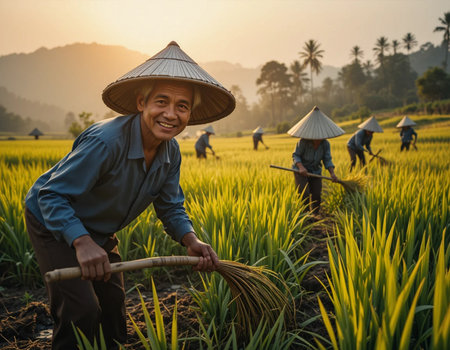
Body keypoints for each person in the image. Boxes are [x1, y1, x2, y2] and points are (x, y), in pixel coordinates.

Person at [24, 41, 235, 350]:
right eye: (161, 102)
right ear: (141, 103)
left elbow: (170, 205)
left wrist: (192, 240)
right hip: (54, 221)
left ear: (190, 114)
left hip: (99, 228)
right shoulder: (106, 143)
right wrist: (81, 242)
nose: (171, 114)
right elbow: (52, 195)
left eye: (182, 106)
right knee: (81, 310)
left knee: (113, 305)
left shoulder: (171, 151)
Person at [288, 106, 344, 215]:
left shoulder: (325, 144)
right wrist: (301, 167)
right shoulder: (303, 142)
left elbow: (327, 159)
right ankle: (305, 216)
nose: (318, 137)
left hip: (315, 171)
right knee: (304, 193)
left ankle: (315, 215)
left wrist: (332, 173)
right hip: (301, 171)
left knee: (317, 194)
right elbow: (296, 155)